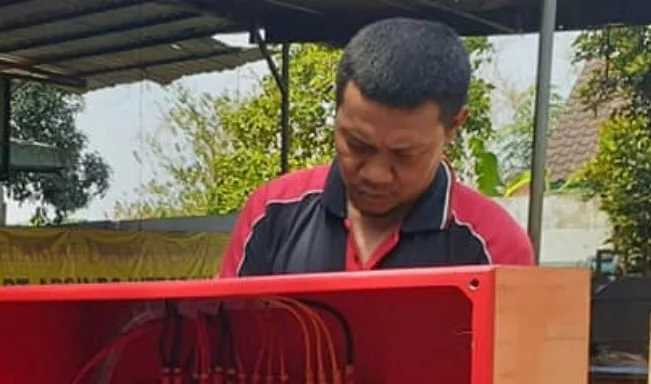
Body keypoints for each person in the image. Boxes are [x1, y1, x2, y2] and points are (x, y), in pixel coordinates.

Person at [218, 18, 534, 277]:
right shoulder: (273, 215)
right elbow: (223, 332)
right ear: (337, 111)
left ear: (454, 126)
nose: (376, 174)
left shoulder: (493, 248)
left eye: (404, 154)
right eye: (358, 145)